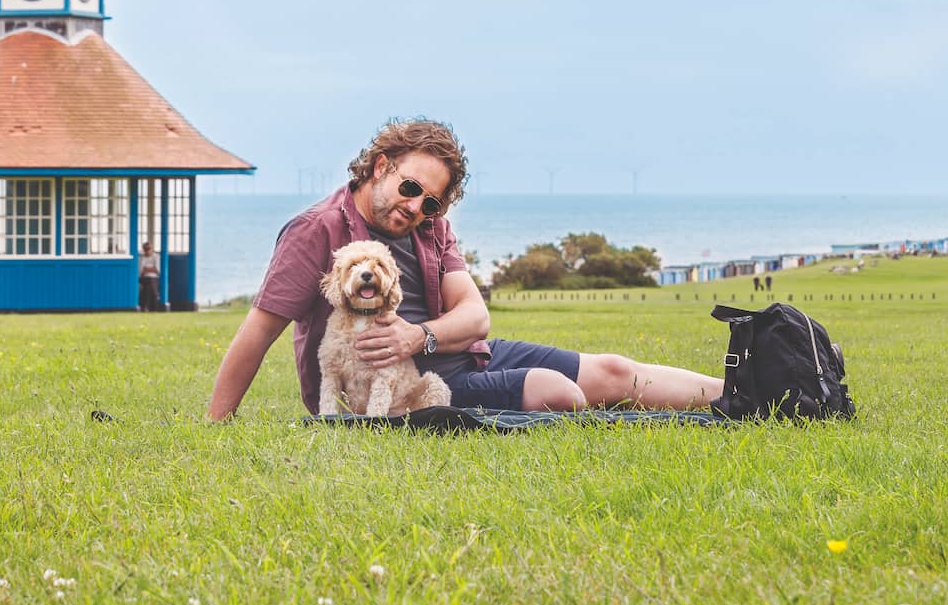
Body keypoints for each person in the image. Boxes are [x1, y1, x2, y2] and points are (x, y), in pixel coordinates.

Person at [207, 119, 723, 419]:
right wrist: (217, 428)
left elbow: (475, 318)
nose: (416, 208)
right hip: (407, 393)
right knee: (561, 393)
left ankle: (746, 395)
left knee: (611, 369)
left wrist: (418, 337)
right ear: (381, 166)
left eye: (431, 203)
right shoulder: (317, 230)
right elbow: (259, 331)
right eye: (411, 189)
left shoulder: (430, 228)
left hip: (457, 355)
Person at [138, 241, 160, 312]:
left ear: (152, 249)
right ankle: (148, 307)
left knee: (149, 288)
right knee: (147, 288)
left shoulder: (156, 257)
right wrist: (151, 269)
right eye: (145, 249)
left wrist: (146, 269)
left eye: (149, 249)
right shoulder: (141, 258)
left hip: (154, 278)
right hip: (143, 278)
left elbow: (157, 270)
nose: (147, 251)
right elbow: (140, 271)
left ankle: (148, 307)